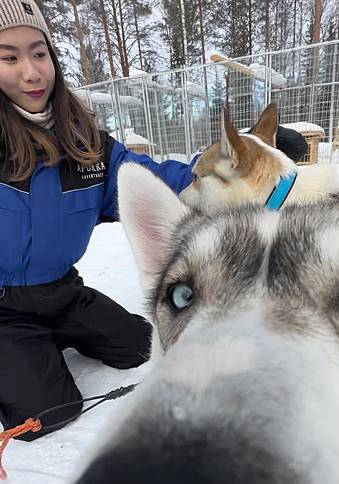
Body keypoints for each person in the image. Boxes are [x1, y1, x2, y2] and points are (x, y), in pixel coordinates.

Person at [0, 0, 196, 441]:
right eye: (8, 57)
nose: (31, 72)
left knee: (142, 346)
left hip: (63, 291)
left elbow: (147, 181)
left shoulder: (87, 143)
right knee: (48, 415)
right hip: (4, 307)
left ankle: (47, 342)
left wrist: (222, 169)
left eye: (39, 52)